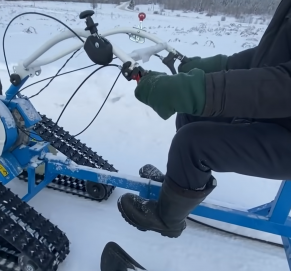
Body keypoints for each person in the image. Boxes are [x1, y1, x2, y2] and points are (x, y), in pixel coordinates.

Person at [117, 0, 291, 238]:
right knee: (191, 114)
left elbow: (282, 84)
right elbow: (270, 57)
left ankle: (167, 220)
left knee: (192, 144)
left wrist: (196, 89)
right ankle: (181, 185)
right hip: (278, 113)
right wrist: (215, 66)